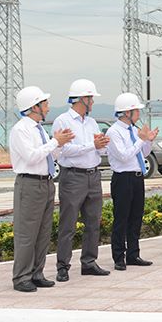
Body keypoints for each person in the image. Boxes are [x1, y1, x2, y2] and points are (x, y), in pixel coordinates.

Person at [9, 86, 74, 292]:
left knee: (43, 233)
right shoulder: (21, 129)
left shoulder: (39, 129)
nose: (47, 106)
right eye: (44, 103)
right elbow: (31, 156)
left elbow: (48, 156)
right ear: (34, 107)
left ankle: (36, 273)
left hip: (45, 182)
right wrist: (55, 141)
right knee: (27, 233)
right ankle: (21, 277)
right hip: (29, 183)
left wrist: (60, 145)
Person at [52, 79, 110, 282]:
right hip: (73, 176)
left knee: (93, 222)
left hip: (93, 175)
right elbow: (65, 150)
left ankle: (89, 262)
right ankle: (62, 266)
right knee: (68, 223)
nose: (93, 102)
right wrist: (92, 145)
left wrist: (102, 145)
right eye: (91, 98)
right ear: (82, 99)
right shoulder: (63, 121)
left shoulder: (92, 122)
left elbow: (97, 149)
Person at [105, 92, 158, 271]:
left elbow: (142, 154)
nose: (138, 114)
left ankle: (133, 254)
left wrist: (148, 141)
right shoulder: (114, 131)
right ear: (127, 112)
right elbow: (124, 155)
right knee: (121, 218)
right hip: (123, 178)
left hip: (137, 178)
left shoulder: (134, 130)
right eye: (136, 110)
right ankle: (119, 256)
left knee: (136, 217)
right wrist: (141, 140)